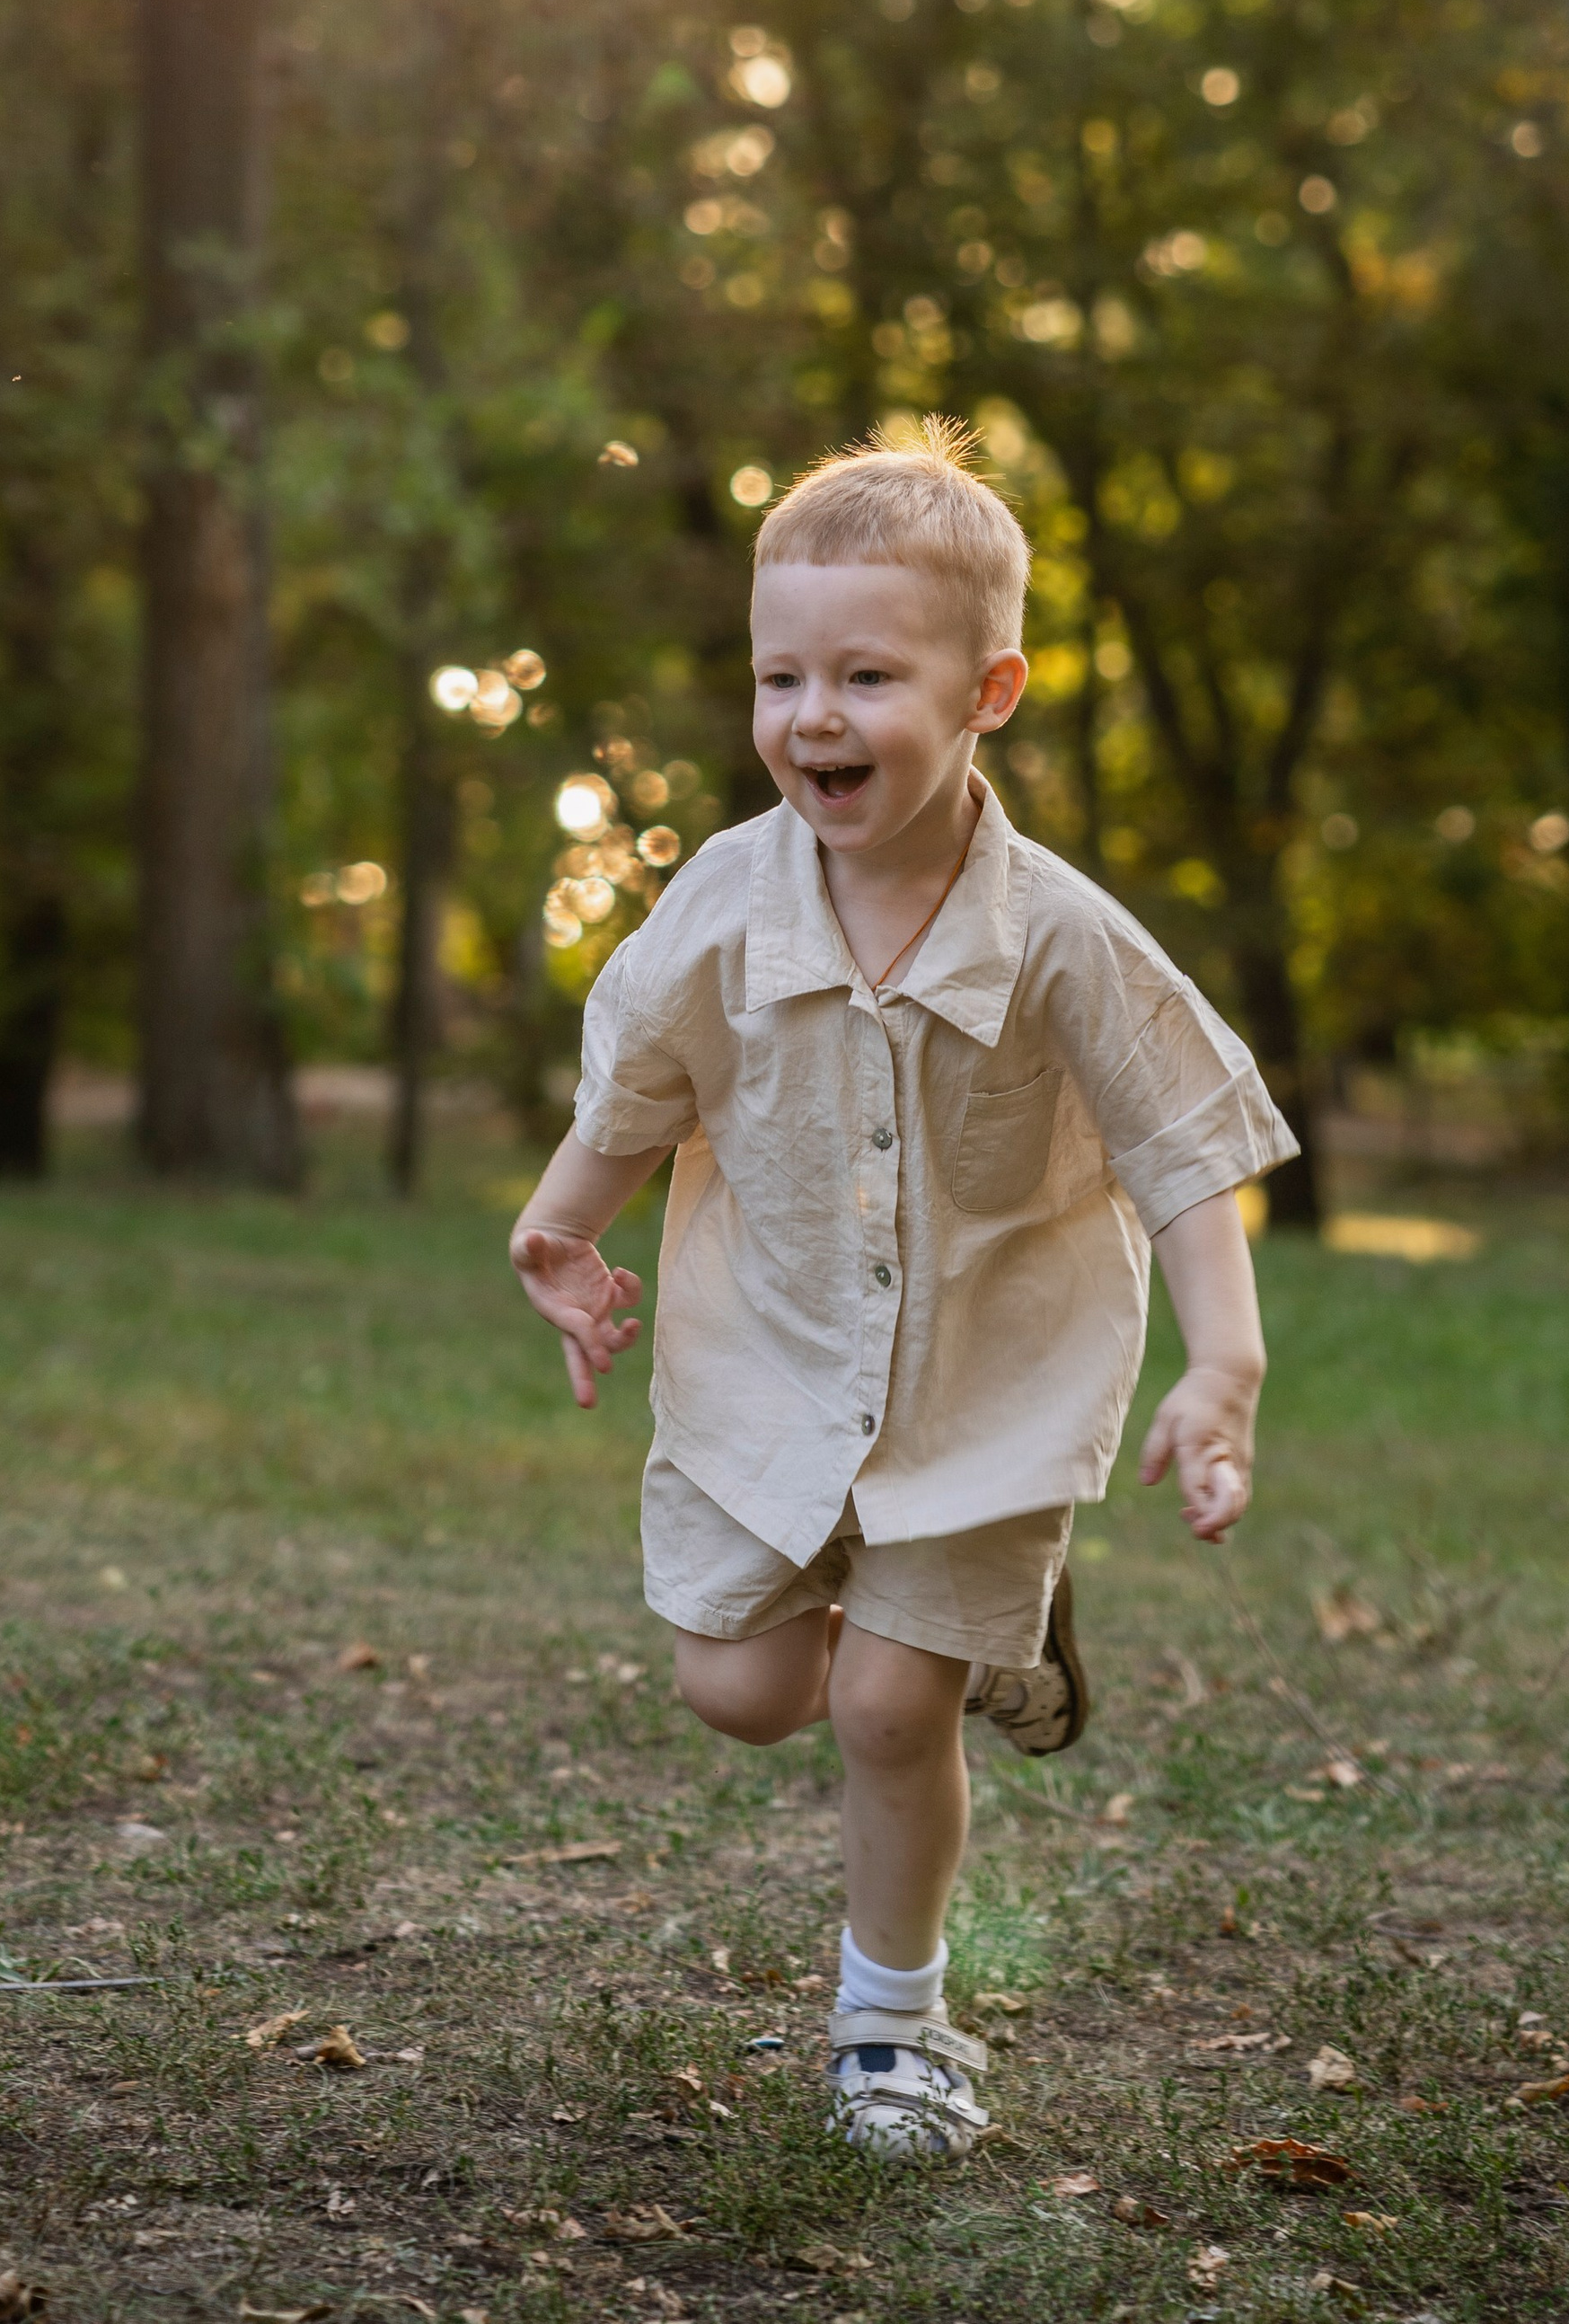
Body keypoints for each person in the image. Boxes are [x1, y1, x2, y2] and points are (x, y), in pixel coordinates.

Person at [509, 421, 1293, 2161]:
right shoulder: (722, 899)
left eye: (865, 675)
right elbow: (636, 1082)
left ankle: (891, 2023)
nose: (811, 718)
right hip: (777, 1371)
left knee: (880, 1705)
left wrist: (1220, 1365)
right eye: (779, 674)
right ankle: (967, 1645)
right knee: (735, 1687)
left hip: (978, 1400)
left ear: (988, 690)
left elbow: (1180, 1146)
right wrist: (558, 1231)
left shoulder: (1063, 937)